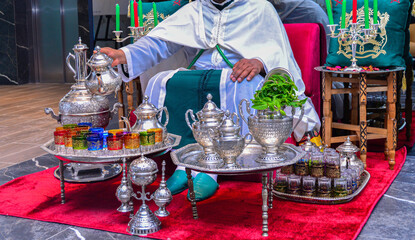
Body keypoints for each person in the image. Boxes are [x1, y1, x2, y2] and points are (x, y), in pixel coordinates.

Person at [101, 0, 321, 201]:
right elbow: (160, 43)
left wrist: (259, 61)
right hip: (199, 76)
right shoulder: (196, 9)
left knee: (242, 85)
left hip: (241, 77)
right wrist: (125, 55)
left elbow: (277, 51)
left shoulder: (259, 7)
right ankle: (184, 164)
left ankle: (211, 170)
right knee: (163, 81)